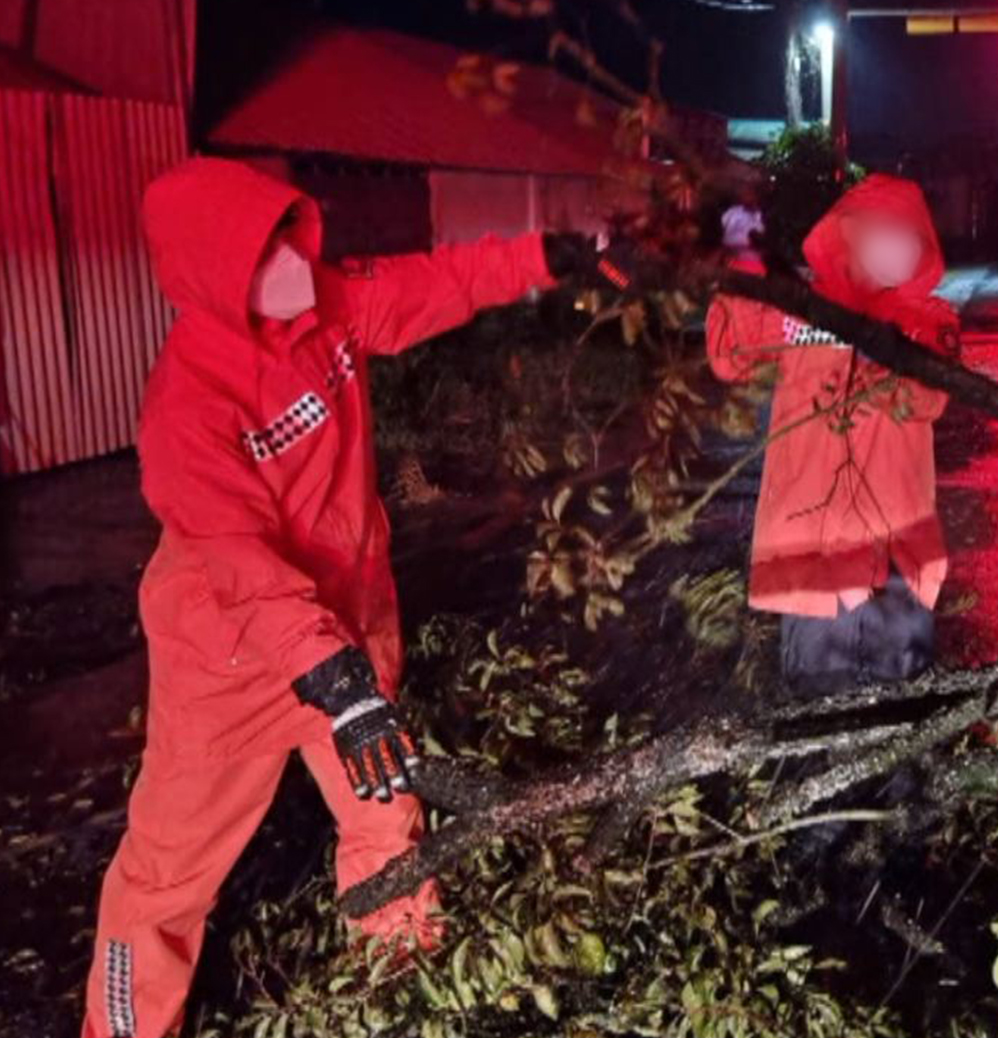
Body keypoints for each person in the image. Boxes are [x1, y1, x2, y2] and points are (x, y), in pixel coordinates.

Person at [83, 157, 624, 1038]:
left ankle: (395, 985)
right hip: (232, 661)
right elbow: (237, 561)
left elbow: (440, 281)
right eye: (267, 258)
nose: (297, 265)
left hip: (348, 628)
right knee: (164, 875)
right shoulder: (188, 407)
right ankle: (122, 1028)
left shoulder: (327, 309)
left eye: (290, 240)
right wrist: (335, 683)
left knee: (388, 818)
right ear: (217, 280)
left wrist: (552, 256)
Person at [705, 175, 958, 698]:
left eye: (906, 239)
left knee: (899, 712)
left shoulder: (931, 322)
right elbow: (732, 354)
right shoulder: (799, 311)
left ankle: (897, 781)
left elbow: (928, 397)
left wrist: (882, 353)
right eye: (881, 235)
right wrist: (745, 265)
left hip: (897, 558)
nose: (893, 250)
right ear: (848, 236)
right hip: (810, 554)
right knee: (816, 715)